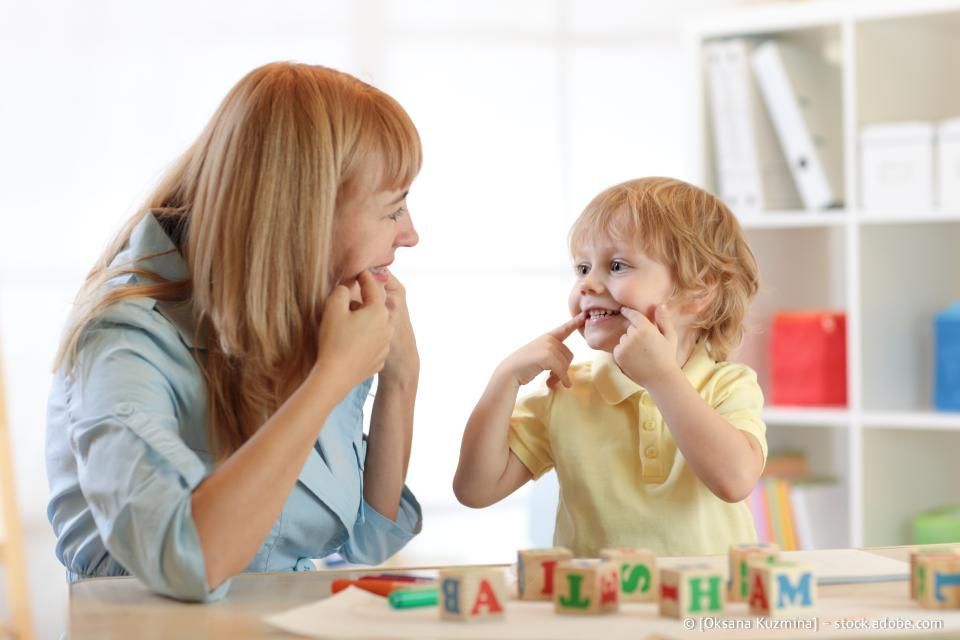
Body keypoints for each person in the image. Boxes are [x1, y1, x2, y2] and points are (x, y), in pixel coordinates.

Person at [46, 62, 423, 602]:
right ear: (306, 216)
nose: (411, 234)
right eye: (394, 209)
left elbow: (367, 536)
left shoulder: (309, 309)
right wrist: (329, 379)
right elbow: (189, 561)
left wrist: (400, 379)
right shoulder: (123, 339)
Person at [453, 176, 766, 557]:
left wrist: (661, 378)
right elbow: (475, 490)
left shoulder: (729, 385)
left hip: (704, 604)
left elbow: (734, 480)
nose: (588, 284)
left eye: (616, 266)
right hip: (594, 608)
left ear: (700, 289)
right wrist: (504, 379)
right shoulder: (567, 391)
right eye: (582, 268)